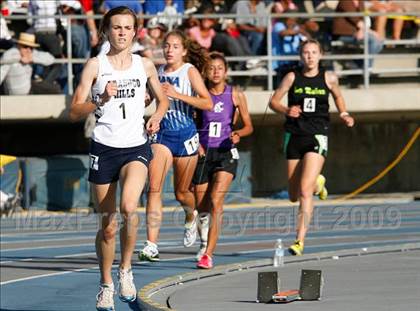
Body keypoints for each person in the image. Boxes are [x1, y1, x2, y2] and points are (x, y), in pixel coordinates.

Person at [69, 6, 169, 311]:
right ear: (106, 31)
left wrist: (157, 117)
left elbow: (162, 99)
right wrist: (100, 99)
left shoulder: (145, 65)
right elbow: (74, 110)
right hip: (104, 147)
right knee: (109, 225)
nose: (122, 32)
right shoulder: (95, 66)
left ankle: (126, 270)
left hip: (135, 146)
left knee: (129, 206)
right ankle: (105, 284)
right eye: (116, 27)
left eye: (128, 27)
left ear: (136, 31)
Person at [269, 39, 354, 256]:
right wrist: (286, 110)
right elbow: (274, 101)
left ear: (320, 55)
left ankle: (299, 240)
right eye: (306, 53)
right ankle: (319, 182)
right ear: (301, 56)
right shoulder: (291, 77)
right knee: (293, 195)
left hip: (317, 135)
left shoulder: (328, 77)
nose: (310, 56)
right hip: (294, 135)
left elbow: (338, 95)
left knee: (305, 191)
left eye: (314, 52)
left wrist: (343, 113)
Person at [138, 29, 212, 262]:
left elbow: (207, 102)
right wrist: (147, 99)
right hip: (163, 135)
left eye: (175, 46)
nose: (169, 50)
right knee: (154, 188)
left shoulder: (188, 71)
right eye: (167, 46)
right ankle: (151, 244)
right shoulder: (157, 72)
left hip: (185, 135)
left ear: (184, 51)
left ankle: (191, 216)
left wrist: (178, 95)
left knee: (182, 193)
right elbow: (152, 98)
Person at [194, 52, 253, 269]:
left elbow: (249, 125)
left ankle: (208, 254)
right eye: (211, 68)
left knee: (216, 203)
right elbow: (192, 122)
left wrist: (238, 134)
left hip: (226, 152)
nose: (215, 72)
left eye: (219, 68)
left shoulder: (235, 94)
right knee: (201, 207)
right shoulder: (200, 95)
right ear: (206, 72)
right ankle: (202, 239)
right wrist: (197, 145)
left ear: (226, 71)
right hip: (203, 152)